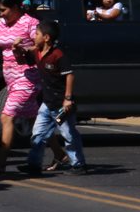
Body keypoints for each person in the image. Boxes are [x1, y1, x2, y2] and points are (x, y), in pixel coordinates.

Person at [0, 0, 41, 175]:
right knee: (33, 119)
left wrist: (23, 49)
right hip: (11, 79)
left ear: (15, 8)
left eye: (4, 10)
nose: (1, 14)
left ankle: (1, 163)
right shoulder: (2, 26)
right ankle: (60, 154)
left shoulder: (30, 23)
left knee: (7, 116)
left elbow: (39, 47)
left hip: (28, 76)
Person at [16, 20, 88, 176]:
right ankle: (34, 164)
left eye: (36, 34)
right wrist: (16, 49)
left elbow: (69, 75)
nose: (34, 37)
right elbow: (22, 60)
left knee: (68, 134)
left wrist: (67, 98)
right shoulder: (37, 52)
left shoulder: (58, 55)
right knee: (38, 134)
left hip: (61, 106)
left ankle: (78, 164)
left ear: (46, 37)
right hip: (47, 104)